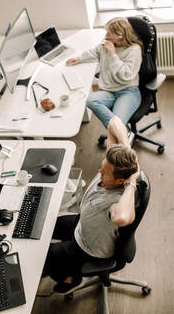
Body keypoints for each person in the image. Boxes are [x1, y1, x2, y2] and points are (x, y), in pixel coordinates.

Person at [43, 115, 140, 294]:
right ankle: (60, 264)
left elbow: (122, 217)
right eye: (103, 166)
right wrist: (126, 150)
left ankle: (71, 279)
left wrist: (132, 182)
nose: (99, 171)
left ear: (120, 181)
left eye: (105, 172)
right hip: (82, 224)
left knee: (45, 256)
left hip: (88, 246)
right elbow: (114, 122)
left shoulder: (118, 200)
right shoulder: (113, 168)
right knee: (43, 227)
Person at [66, 17, 143, 134]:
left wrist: (113, 55)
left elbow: (126, 76)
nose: (105, 35)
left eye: (109, 33)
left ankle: (118, 136)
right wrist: (79, 58)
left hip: (128, 92)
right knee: (90, 100)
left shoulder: (134, 49)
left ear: (120, 35)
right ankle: (120, 133)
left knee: (117, 124)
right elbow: (94, 51)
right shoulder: (107, 43)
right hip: (108, 92)